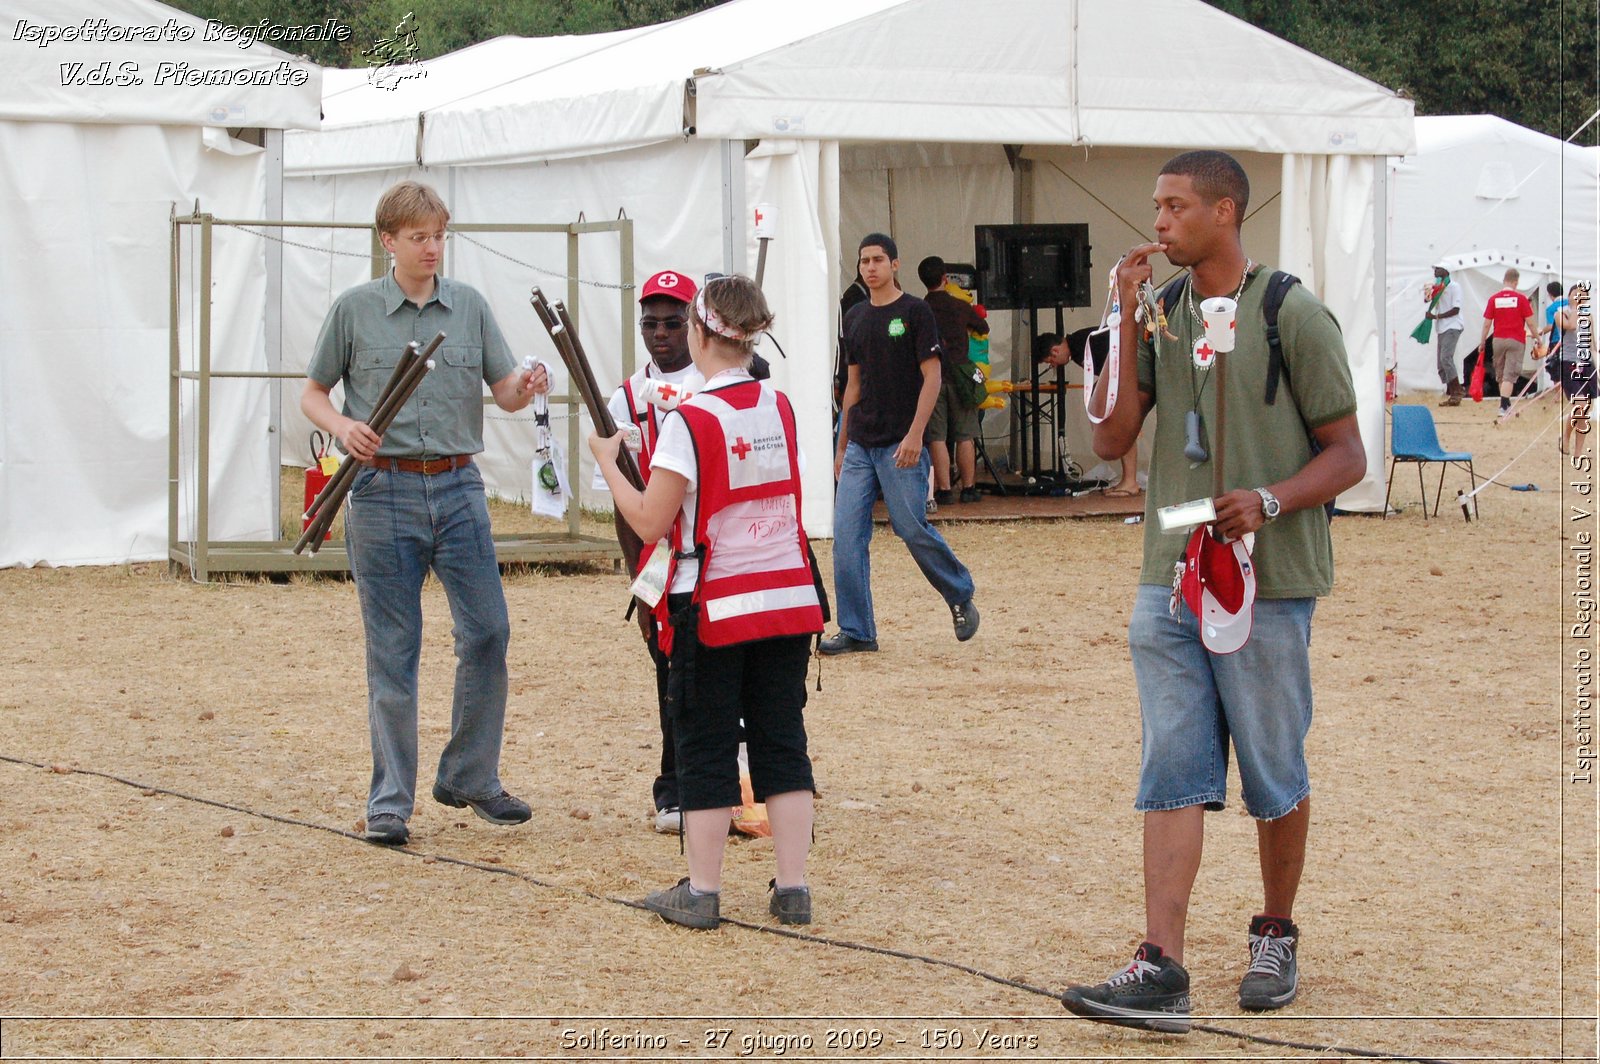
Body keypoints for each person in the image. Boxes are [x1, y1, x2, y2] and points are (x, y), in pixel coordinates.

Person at [1060, 151, 1365, 1033]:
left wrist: (1268, 500)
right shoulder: (1157, 313)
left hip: (1269, 581)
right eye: (1155, 207)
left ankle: (1275, 931)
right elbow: (1115, 436)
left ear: (1225, 212)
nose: (1157, 223)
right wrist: (1119, 316)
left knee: (1275, 766)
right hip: (1170, 579)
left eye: (1175, 207)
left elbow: (1349, 454)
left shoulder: (1293, 314)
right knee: (1172, 766)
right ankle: (1162, 965)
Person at [302, 180, 551, 847]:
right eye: (419, 237)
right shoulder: (354, 310)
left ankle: (469, 776)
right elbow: (312, 393)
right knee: (394, 651)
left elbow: (502, 392)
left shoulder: (467, 306)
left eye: (439, 235)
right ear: (389, 240)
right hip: (383, 493)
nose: (432, 248)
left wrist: (525, 388)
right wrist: (344, 427)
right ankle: (390, 803)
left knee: (489, 633)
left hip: (459, 487)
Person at [589, 275, 823, 930]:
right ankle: (794, 885)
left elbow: (647, 517)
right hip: (785, 594)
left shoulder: (689, 420)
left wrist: (608, 462)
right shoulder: (778, 407)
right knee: (782, 738)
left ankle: (703, 889)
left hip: (714, 604)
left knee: (708, 742)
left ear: (698, 332)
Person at [822, 234, 979, 655]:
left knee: (910, 527)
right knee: (846, 537)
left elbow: (933, 377)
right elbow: (852, 386)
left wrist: (915, 435)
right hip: (860, 445)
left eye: (877, 260)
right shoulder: (853, 317)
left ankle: (960, 593)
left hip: (901, 444)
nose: (870, 267)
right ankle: (856, 630)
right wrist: (841, 444)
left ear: (895, 264)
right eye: (863, 261)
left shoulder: (915, 311)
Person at [600, 269, 706, 835]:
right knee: (672, 674)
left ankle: (739, 781)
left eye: (673, 322)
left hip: (716, 552)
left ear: (695, 323)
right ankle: (676, 787)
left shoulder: (722, 380)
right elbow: (624, 500)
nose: (661, 333)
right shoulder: (625, 397)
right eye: (650, 323)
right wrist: (640, 582)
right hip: (661, 557)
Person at [918, 255, 990, 505]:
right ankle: (969, 488)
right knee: (965, 435)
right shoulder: (959, 306)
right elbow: (983, 327)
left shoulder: (919, 309)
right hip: (960, 376)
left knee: (936, 436)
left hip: (932, 377)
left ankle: (944, 490)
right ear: (944, 279)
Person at [1038, 329, 1141, 497]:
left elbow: (1119, 361)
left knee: (1120, 425)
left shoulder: (1082, 346)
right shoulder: (1079, 344)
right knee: (1117, 423)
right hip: (1126, 374)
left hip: (1129, 372)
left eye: (1051, 361)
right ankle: (1128, 479)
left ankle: (1130, 481)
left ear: (1055, 351)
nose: (1053, 365)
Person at [1478, 268, 1536, 416]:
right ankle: (1503, 406)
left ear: (1504, 281)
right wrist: (1537, 337)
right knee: (1510, 375)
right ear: (1516, 282)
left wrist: (1482, 341)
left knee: (1501, 374)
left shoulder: (1494, 299)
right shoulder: (1521, 299)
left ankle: (1506, 404)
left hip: (1498, 339)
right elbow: (1530, 322)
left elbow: (1487, 323)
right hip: (1516, 340)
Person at [1551, 282, 1593, 455]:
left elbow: (1592, 342)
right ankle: (1566, 437)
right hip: (1569, 364)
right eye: (1575, 294)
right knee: (1580, 404)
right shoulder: (1561, 313)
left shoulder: (1588, 316)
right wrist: (1575, 308)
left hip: (1586, 365)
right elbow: (1570, 326)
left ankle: (1577, 451)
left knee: (1584, 410)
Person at [1424, 264, 1465, 406]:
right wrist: (1427, 295)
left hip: (1453, 326)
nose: (1435, 272)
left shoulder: (1454, 287)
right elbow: (1427, 301)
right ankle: (1452, 391)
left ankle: (1457, 392)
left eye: (1438, 269)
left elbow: (1456, 309)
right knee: (1441, 364)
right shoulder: (1438, 287)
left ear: (1446, 271)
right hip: (1441, 328)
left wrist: (1436, 317)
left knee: (1446, 357)